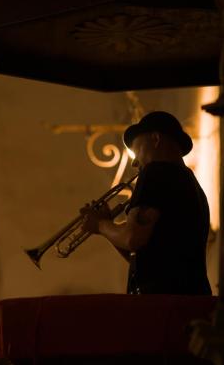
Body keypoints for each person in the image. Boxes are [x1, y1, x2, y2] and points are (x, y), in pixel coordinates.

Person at [82, 111, 212, 296]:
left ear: (155, 139)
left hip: (164, 302)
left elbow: (132, 238)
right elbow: (140, 254)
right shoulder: (191, 184)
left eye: (135, 151)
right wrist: (106, 228)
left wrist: (100, 225)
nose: (135, 162)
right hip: (189, 297)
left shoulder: (156, 172)